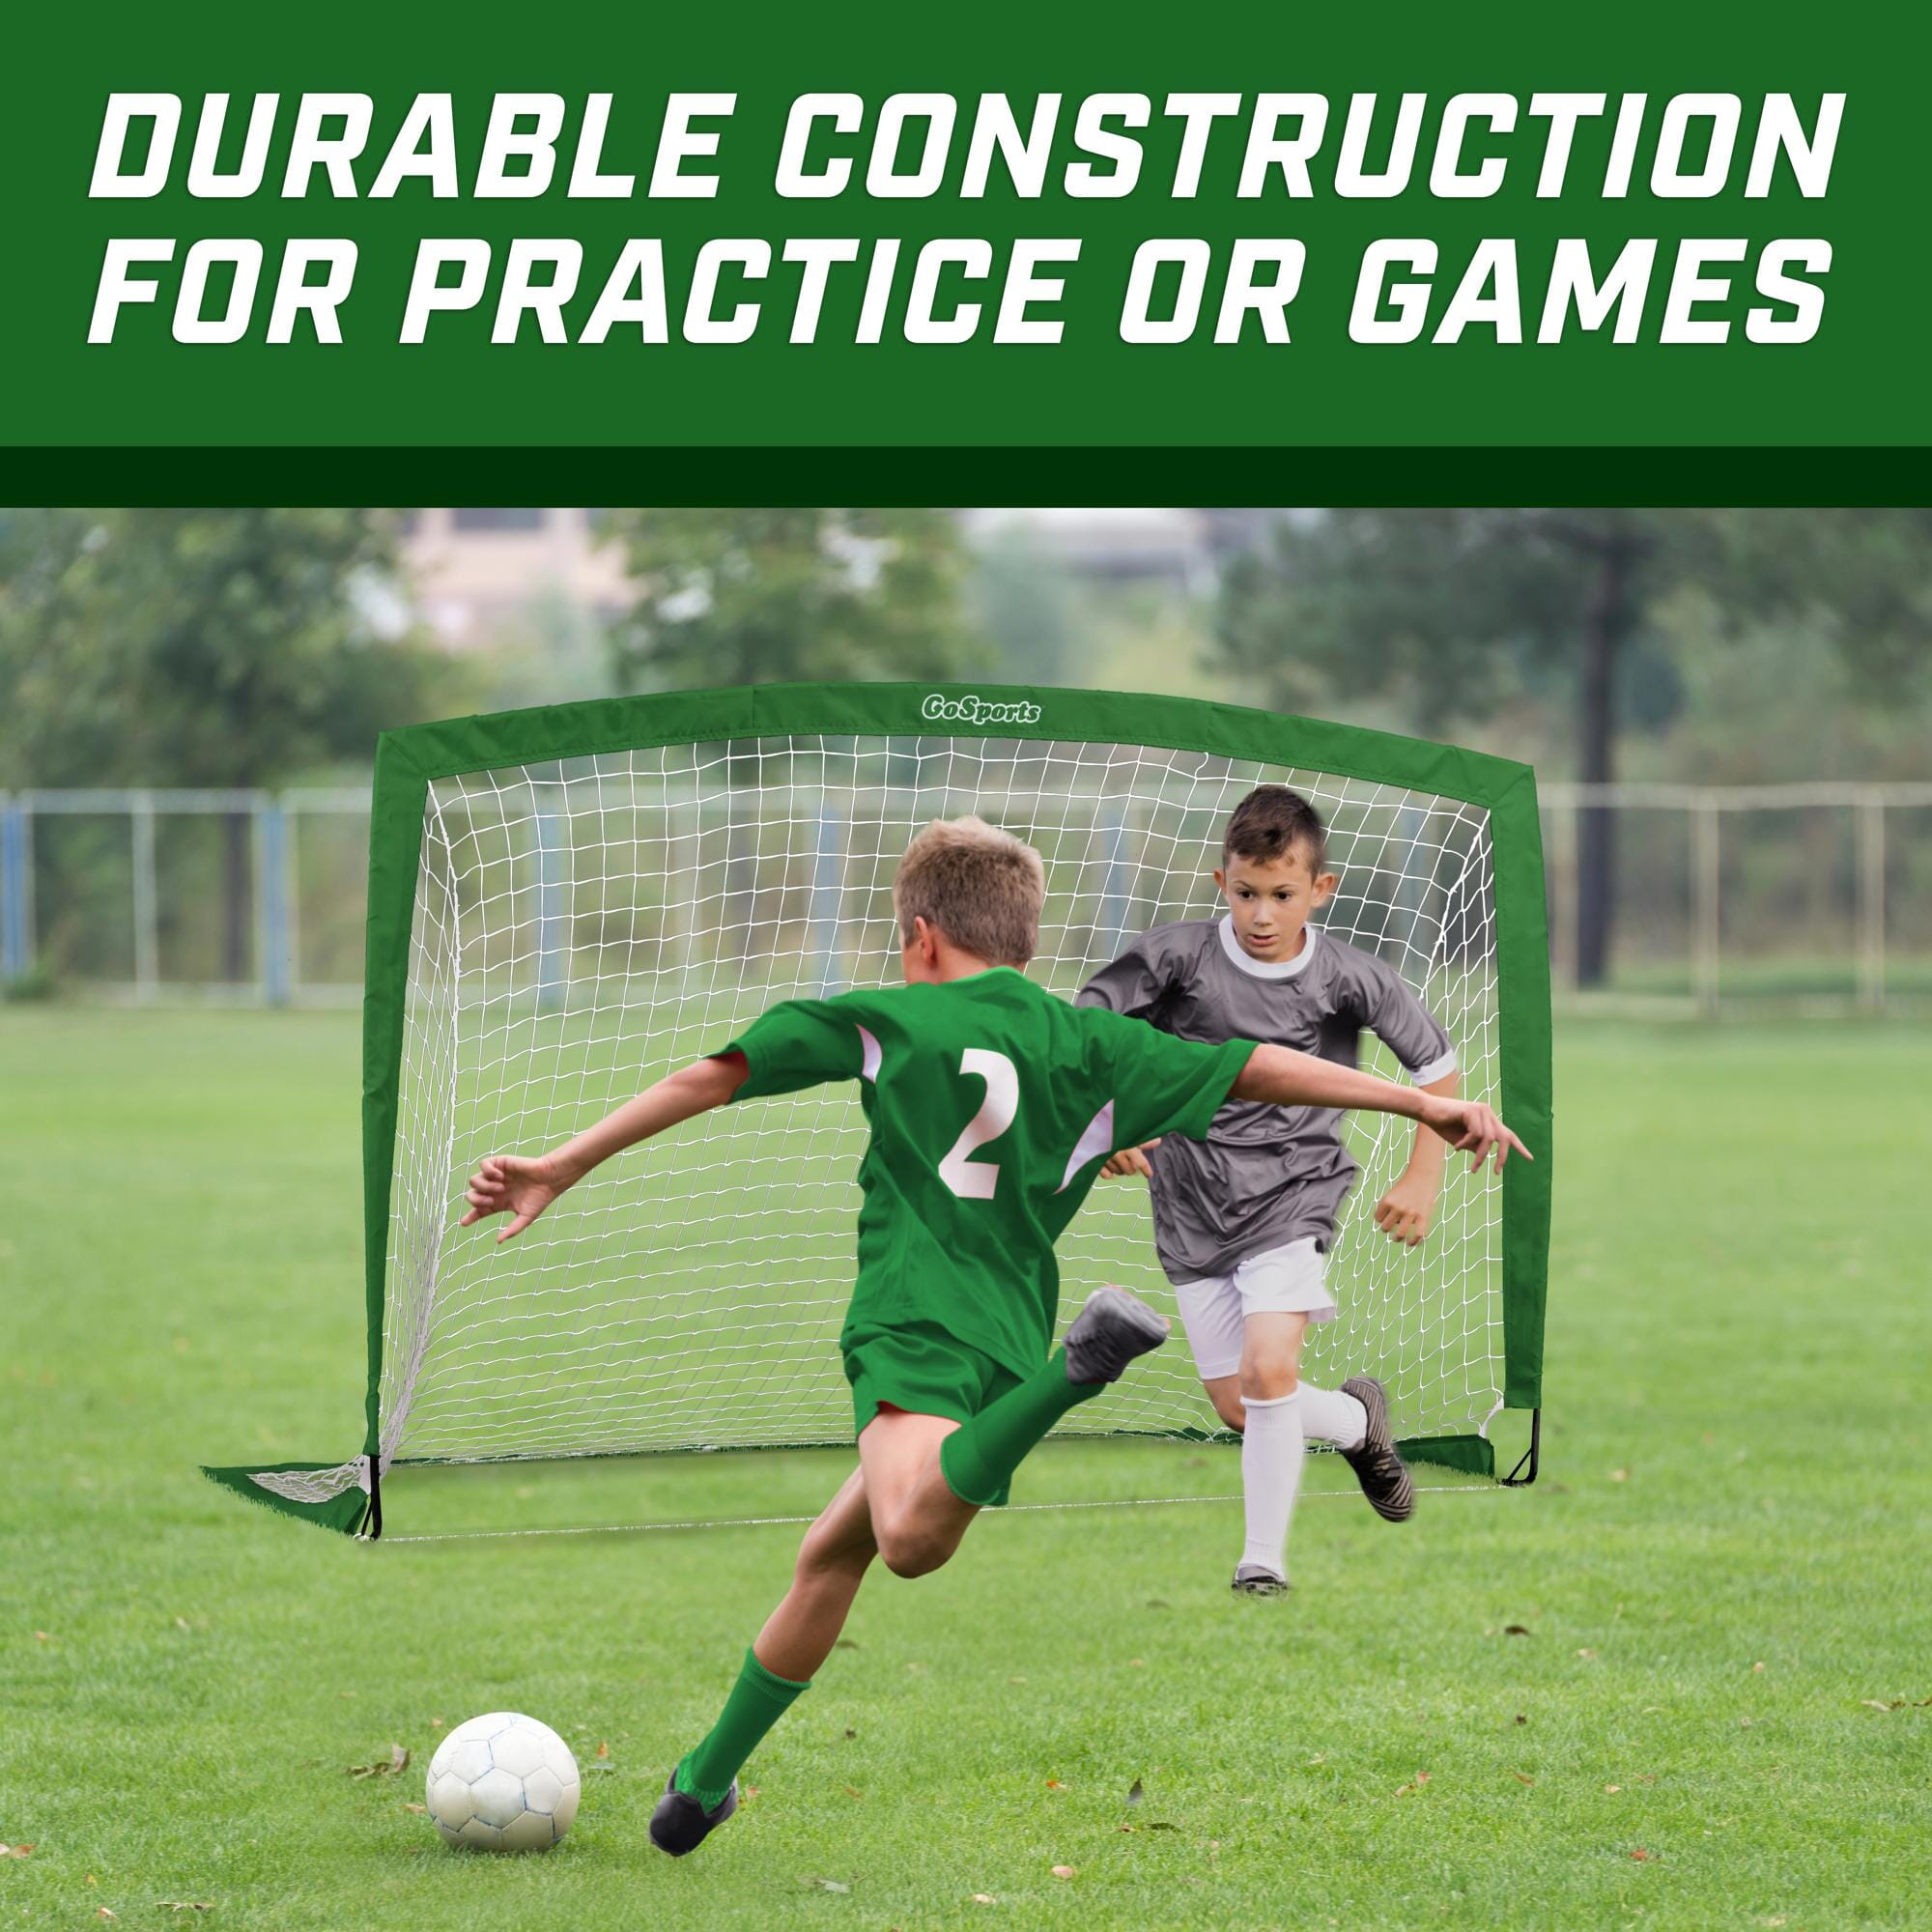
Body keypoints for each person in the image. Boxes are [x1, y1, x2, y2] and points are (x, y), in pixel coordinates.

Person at [459, 814, 1526, 1855]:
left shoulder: (888, 1018)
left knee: (908, 1539)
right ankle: (702, 1784)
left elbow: (711, 1077)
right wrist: (1415, 1105)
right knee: (830, 1552)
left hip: (913, 1320)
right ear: (1023, 935)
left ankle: (1080, 1369)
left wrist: (564, 1162)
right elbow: (1255, 1064)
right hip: (1001, 1337)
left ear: (921, 935)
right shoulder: (1089, 1041)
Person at [1080, 784, 1471, 1595]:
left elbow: (1437, 1070)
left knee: (1268, 1371)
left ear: (1320, 890)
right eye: (1247, 893)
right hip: (1190, 1202)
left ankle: (1261, 1564)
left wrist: (1423, 1174)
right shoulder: (1175, 958)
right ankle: (1359, 1423)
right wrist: (1109, 1122)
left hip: (1296, 1194)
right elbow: (1084, 1032)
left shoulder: (1349, 977)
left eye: (1282, 896)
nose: (1262, 915)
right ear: (1220, 883)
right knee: (1242, 1403)